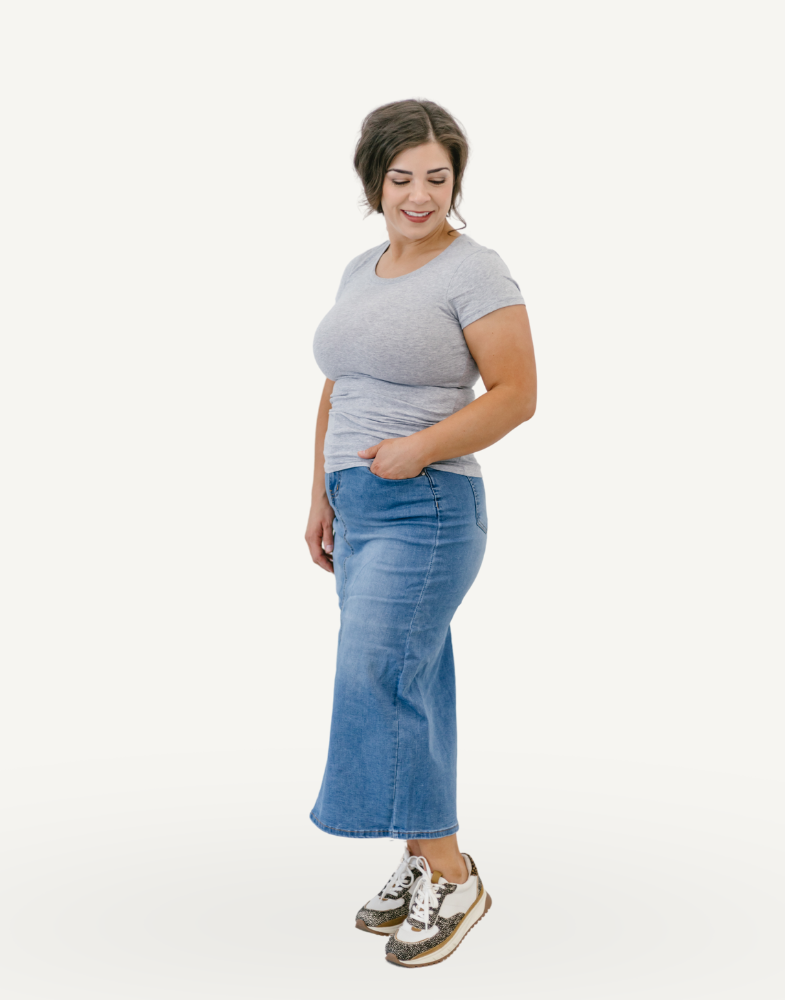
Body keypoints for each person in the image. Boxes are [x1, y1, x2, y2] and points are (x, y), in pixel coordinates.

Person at [305, 98, 537, 968]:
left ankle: (452, 872)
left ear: (455, 183)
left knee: (378, 668)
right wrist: (322, 493)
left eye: (437, 178)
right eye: (402, 178)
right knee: (412, 675)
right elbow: (338, 386)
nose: (420, 194)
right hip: (358, 504)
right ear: (375, 181)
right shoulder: (361, 269)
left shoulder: (475, 271)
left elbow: (516, 392)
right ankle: (416, 852)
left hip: (428, 506)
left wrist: (416, 452)